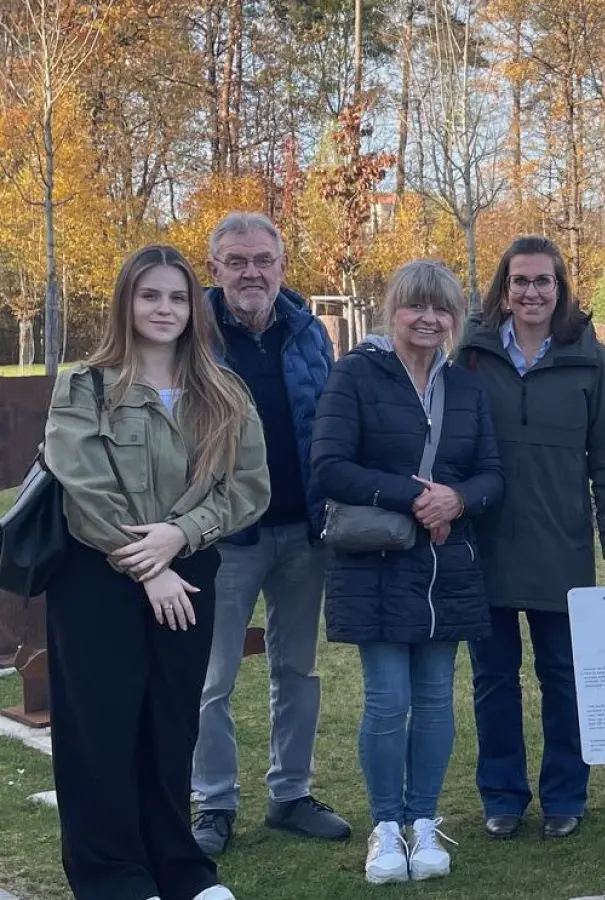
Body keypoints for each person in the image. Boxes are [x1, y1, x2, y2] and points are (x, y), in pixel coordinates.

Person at [43, 245, 269, 900]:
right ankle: (112, 876)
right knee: (101, 730)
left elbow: (245, 487)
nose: (164, 309)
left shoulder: (224, 392)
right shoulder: (85, 386)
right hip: (96, 582)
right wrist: (147, 565)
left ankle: (180, 869)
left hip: (189, 573)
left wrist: (179, 536)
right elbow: (83, 486)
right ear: (126, 303)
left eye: (177, 297)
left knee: (172, 727)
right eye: (150, 296)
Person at [311, 260, 505, 884]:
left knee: (436, 701)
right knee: (387, 699)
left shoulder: (467, 387)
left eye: (441, 309)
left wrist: (459, 499)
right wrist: (415, 496)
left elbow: (492, 475)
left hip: (446, 566)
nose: (428, 319)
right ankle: (385, 826)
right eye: (415, 307)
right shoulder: (354, 377)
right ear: (391, 311)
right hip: (377, 565)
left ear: (454, 316)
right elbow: (330, 468)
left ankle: (423, 821)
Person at [456, 236, 605, 841]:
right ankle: (503, 796)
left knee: (564, 676)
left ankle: (566, 793)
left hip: (561, 545)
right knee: (493, 679)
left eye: (543, 281)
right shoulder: (472, 357)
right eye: (520, 281)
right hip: (485, 545)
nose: (531, 292)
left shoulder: (588, 358)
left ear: (560, 288)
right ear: (503, 291)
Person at [190, 212, 349, 856]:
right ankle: (214, 801)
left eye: (263, 260)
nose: (251, 272)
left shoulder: (310, 334)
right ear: (216, 270)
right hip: (223, 536)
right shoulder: (192, 334)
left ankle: (289, 793)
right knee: (212, 678)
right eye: (237, 261)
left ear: (282, 267)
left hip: (301, 532)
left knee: (297, 669)